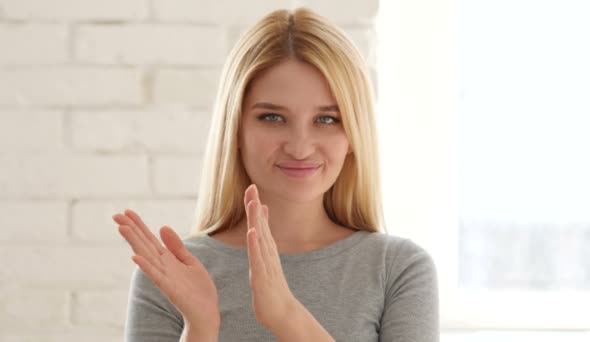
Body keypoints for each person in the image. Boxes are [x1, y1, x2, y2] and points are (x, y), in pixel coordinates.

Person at [113, 7, 439, 342]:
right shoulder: (170, 275)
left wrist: (286, 315)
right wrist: (200, 326)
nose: (300, 147)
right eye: (272, 118)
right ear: (235, 131)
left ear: (354, 134)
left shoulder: (396, 270)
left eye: (327, 119)